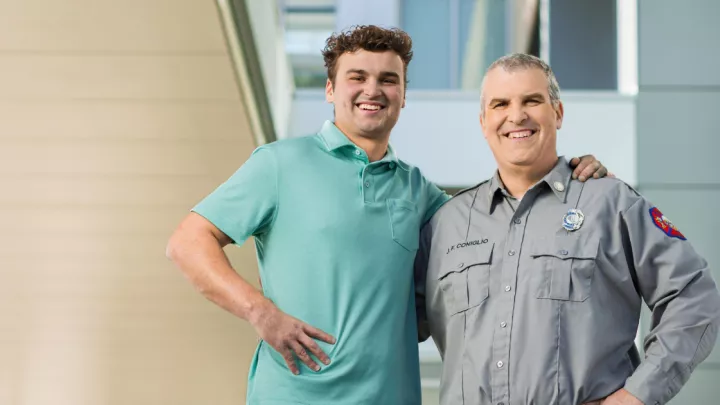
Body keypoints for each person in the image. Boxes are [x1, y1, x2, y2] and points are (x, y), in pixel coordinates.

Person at [165, 26, 607, 404]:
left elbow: (509, 220)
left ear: (403, 95)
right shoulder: (280, 164)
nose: (373, 90)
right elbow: (188, 241)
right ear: (331, 89)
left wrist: (568, 172)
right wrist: (260, 312)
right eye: (357, 77)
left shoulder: (421, 193)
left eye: (388, 80)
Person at [414, 53, 720, 405]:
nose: (516, 115)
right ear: (484, 122)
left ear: (557, 113)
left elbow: (693, 294)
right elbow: (393, 322)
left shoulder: (610, 203)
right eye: (501, 104)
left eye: (532, 100)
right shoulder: (445, 226)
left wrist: (637, 395)